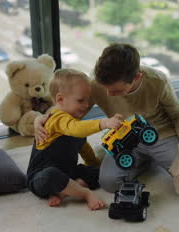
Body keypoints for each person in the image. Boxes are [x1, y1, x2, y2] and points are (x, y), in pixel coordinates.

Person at [35, 43, 179, 194]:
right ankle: (151, 161)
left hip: (160, 133)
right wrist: (43, 119)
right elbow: (69, 111)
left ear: (136, 77)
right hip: (125, 138)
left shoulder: (157, 81)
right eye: (106, 89)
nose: (109, 95)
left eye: (117, 91)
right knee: (109, 183)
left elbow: (177, 114)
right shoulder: (98, 84)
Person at [27, 68, 122, 210]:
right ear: (60, 99)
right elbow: (75, 129)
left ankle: (66, 190)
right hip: (41, 176)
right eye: (80, 100)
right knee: (50, 176)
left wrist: (94, 165)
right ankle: (84, 193)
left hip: (68, 171)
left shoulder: (75, 121)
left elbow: (84, 148)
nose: (86, 105)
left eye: (87, 100)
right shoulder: (56, 118)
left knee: (99, 173)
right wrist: (104, 123)